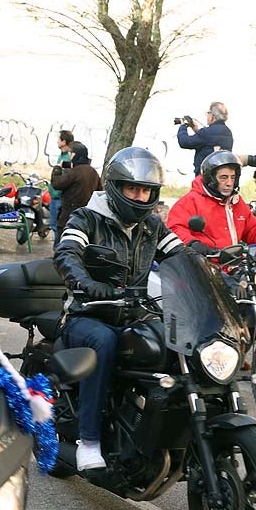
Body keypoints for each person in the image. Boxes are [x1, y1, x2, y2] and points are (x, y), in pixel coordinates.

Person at [53, 147, 186, 471]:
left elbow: (182, 257)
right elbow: (67, 253)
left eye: (146, 191)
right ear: (116, 187)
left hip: (135, 314)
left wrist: (218, 272)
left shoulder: (152, 226)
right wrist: (86, 283)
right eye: (133, 189)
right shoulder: (87, 217)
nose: (140, 197)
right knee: (104, 342)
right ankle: (89, 441)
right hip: (88, 314)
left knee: (174, 344)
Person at [166, 150, 256, 266]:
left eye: (233, 178)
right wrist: (193, 244)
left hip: (234, 266)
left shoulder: (235, 202)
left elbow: (253, 229)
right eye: (223, 178)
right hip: (203, 267)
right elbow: (175, 228)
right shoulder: (191, 201)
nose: (229, 183)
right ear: (210, 178)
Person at [49, 141, 102, 240]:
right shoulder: (93, 172)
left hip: (69, 213)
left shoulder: (75, 172)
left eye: (70, 153)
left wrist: (57, 169)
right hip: (87, 213)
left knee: (64, 239)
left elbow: (57, 184)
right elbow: (99, 191)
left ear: (74, 155)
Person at [176, 101, 234, 176]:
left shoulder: (206, 133)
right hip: (220, 176)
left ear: (212, 116)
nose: (207, 115)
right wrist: (195, 129)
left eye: (208, 113)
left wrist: (183, 125)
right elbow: (210, 140)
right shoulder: (228, 132)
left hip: (205, 177)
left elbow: (184, 142)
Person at [49, 130, 73, 243]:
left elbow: (65, 179)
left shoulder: (67, 158)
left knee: (58, 226)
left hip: (59, 196)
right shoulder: (63, 155)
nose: (57, 141)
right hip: (55, 195)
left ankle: (57, 251)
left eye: (59, 139)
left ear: (64, 141)